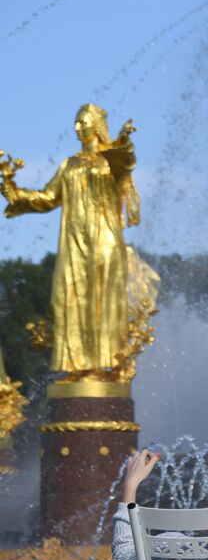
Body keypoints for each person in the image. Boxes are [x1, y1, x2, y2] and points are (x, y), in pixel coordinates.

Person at [2, 104, 140, 377]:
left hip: (105, 242)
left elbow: (125, 162)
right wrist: (9, 187)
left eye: (83, 123)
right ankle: (77, 366)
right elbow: (47, 198)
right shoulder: (69, 165)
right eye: (76, 123)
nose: (77, 128)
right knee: (69, 298)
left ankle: (105, 365)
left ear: (96, 126)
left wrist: (123, 140)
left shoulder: (110, 161)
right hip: (74, 244)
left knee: (104, 302)